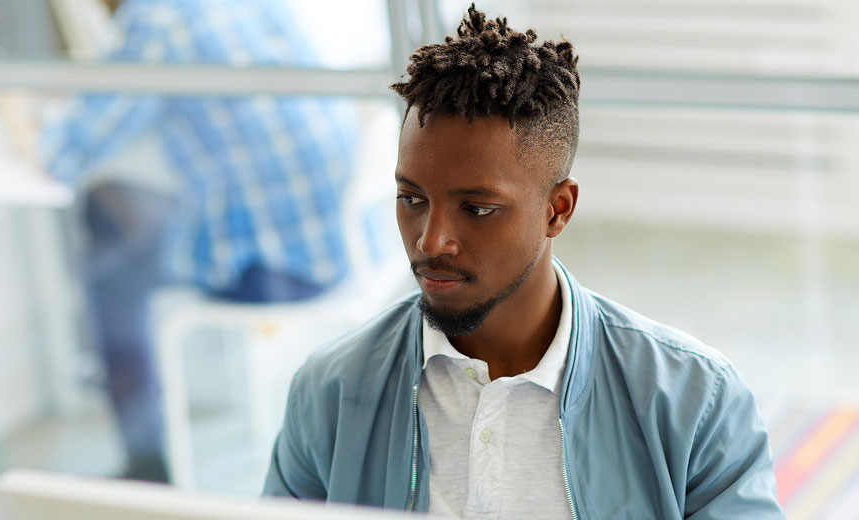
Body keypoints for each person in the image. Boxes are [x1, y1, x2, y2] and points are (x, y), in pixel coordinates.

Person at [263, 5, 784, 518]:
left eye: (478, 208)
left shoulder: (696, 402)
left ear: (558, 209)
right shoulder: (329, 393)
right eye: (413, 199)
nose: (432, 240)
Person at [41, 0, 358, 482]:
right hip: (340, 235)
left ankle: (145, 464)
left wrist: (17, 116)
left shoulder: (156, 21)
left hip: (273, 269)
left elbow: (65, 152)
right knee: (126, 206)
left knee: (111, 266)